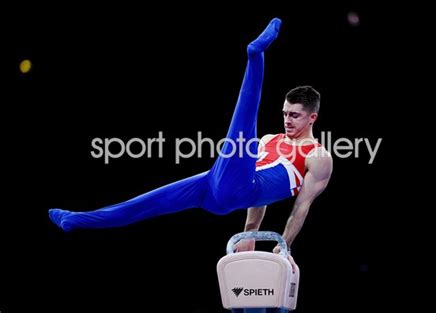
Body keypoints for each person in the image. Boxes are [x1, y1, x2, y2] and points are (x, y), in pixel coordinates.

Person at [49, 18, 332, 257]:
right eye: (285, 113)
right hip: (216, 186)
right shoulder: (271, 139)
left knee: (244, 123)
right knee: (146, 204)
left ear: (312, 118)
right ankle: (75, 220)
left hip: (238, 188)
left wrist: (285, 245)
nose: (286, 119)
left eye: (294, 115)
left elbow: (301, 205)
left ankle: (255, 55)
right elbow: (256, 192)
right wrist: (250, 231)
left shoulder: (317, 157)